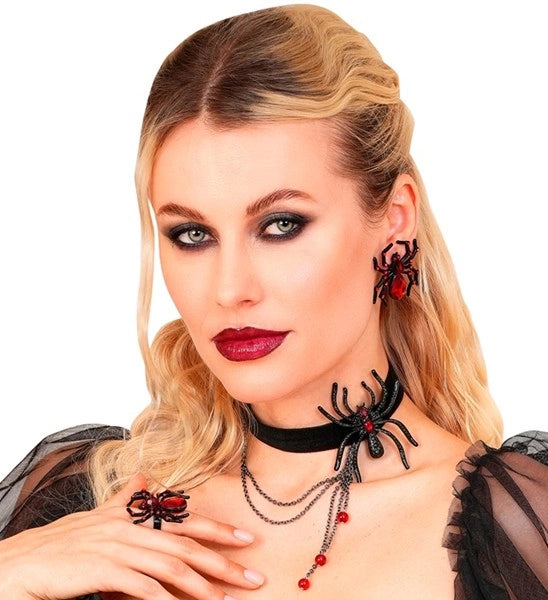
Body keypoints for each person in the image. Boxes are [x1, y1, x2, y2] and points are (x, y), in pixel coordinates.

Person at [0, 4, 546, 599]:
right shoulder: (84, 506)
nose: (230, 289)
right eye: (192, 234)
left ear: (395, 220)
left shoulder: (513, 526)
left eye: (281, 225)